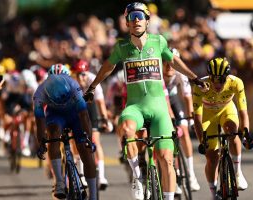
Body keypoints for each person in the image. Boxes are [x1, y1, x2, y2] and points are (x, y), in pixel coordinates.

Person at [83, 2, 207, 200]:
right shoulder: (122, 47)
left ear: (148, 21)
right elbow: (107, 67)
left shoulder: (159, 41)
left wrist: (194, 78)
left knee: (166, 158)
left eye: (141, 16)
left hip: (159, 109)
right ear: (127, 23)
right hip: (135, 107)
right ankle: (138, 177)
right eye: (132, 17)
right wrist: (91, 87)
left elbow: (174, 61)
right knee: (125, 126)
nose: (137, 20)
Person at [34, 64, 97, 200]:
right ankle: (60, 182)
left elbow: (84, 116)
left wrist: (88, 139)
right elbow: (39, 121)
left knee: (85, 150)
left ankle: (93, 194)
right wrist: (41, 142)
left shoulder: (74, 86)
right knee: (53, 134)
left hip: (75, 115)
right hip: (55, 116)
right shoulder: (39, 93)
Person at [193, 57, 250, 200]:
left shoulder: (236, 82)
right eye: (214, 80)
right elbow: (197, 119)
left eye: (222, 80)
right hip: (207, 115)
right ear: (210, 77)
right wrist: (201, 141)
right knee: (212, 157)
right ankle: (213, 194)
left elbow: (243, 112)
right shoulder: (200, 85)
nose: (217, 84)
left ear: (227, 77)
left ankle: (237, 173)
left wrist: (246, 132)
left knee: (233, 131)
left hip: (226, 109)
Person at [163, 48, 200, 192]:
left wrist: (191, 118)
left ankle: (191, 175)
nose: (169, 67)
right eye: (165, 62)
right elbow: (165, 106)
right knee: (168, 135)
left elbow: (187, 97)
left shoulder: (179, 73)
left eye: (172, 63)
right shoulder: (157, 72)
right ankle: (173, 172)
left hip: (173, 100)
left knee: (183, 131)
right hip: (160, 101)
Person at [72, 60, 110, 190]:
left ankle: (102, 177)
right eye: (78, 74)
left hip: (90, 107)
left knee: (95, 139)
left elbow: (100, 102)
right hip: (76, 108)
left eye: (83, 74)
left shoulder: (93, 80)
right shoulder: (72, 82)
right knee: (76, 138)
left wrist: (104, 118)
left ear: (87, 73)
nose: (81, 77)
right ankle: (81, 173)